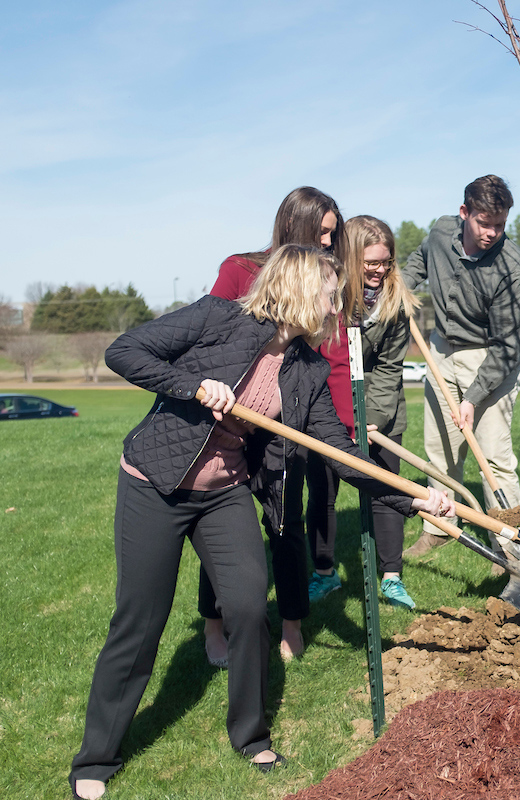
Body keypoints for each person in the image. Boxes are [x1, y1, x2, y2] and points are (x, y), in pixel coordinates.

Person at [69, 245, 452, 800]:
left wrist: (412, 498)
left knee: (249, 603)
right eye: (328, 291)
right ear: (297, 288)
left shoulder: (308, 367)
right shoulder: (216, 319)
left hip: (223, 493)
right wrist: (194, 386)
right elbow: (123, 351)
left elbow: (341, 453)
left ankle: (250, 735)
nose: (335, 304)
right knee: (140, 619)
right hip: (155, 483)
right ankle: (96, 758)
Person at [203, 186, 350, 663]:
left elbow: (330, 355)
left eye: (333, 235)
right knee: (222, 520)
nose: (329, 244)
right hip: (230, 420)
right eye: (322, 233)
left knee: (286, 522)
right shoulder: (240, 270)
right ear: (294, 226)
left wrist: (337, 422)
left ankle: (291, 624)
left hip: (285, 425)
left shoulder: (325, 280)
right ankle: (215, 626)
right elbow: (210, 339)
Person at [400, 175, 520, 558]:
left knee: (492, 455)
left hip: (491, 356)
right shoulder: (442, 232)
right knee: (441, 449)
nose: (492, 232)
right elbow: (420, 260)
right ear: (464, 213)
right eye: (484, 222)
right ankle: (439, 527)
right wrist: (402, 289)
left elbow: (509, 346)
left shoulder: (513, 270)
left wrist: (473, 397)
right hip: (441, 349)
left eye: (500, 224)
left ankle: (510, 546)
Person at [306, 215, 421, 609]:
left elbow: (390, 368)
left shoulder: (395, 303)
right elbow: (319, 358)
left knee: (387, 487)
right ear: (352, 258)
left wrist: (373, 417)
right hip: (326, 407)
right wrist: (341, 419)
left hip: (381, 409)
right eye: (371, 262)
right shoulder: (329, 297)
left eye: (386, 262)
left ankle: (391, 577)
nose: (379, 270)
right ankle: (324, 573)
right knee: (322, 491)